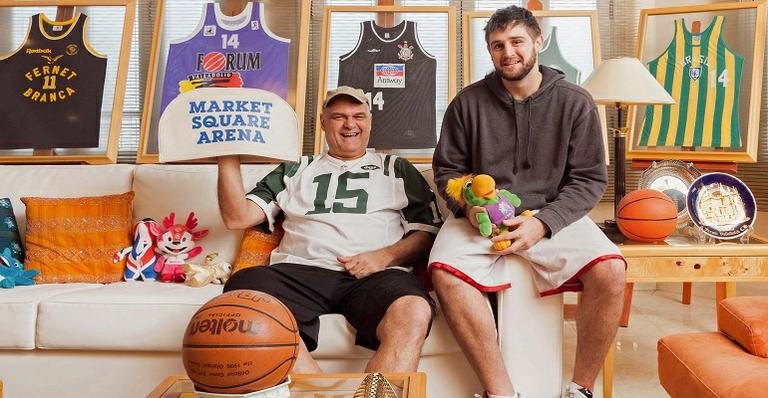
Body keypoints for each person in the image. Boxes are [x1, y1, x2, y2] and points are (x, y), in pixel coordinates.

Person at [428, 6, 627, 398]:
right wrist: (469, 207)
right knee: (443, 272)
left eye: (517, 41)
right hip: (481, 218)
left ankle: (581, 389)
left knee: (611, 271)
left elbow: (588, 180)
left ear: (537, 42)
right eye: (497, 45)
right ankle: (500, 391)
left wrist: (544, 222)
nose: (508, 53)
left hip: (553, 215)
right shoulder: (467, 103)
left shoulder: (576, 101)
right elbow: (447, 171)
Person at [218, 86, 442, 373]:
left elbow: (427, 232)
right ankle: (318, 393)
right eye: (339, 117)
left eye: (358, 116)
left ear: (370, 122)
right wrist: (226, 156)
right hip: (297, 273)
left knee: (414, 310)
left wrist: (384, 256)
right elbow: (237, 218)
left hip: (375, 275)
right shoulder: (296, 168)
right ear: (323, 123)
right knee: (243, 294)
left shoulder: (395, 168)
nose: (350, 124)